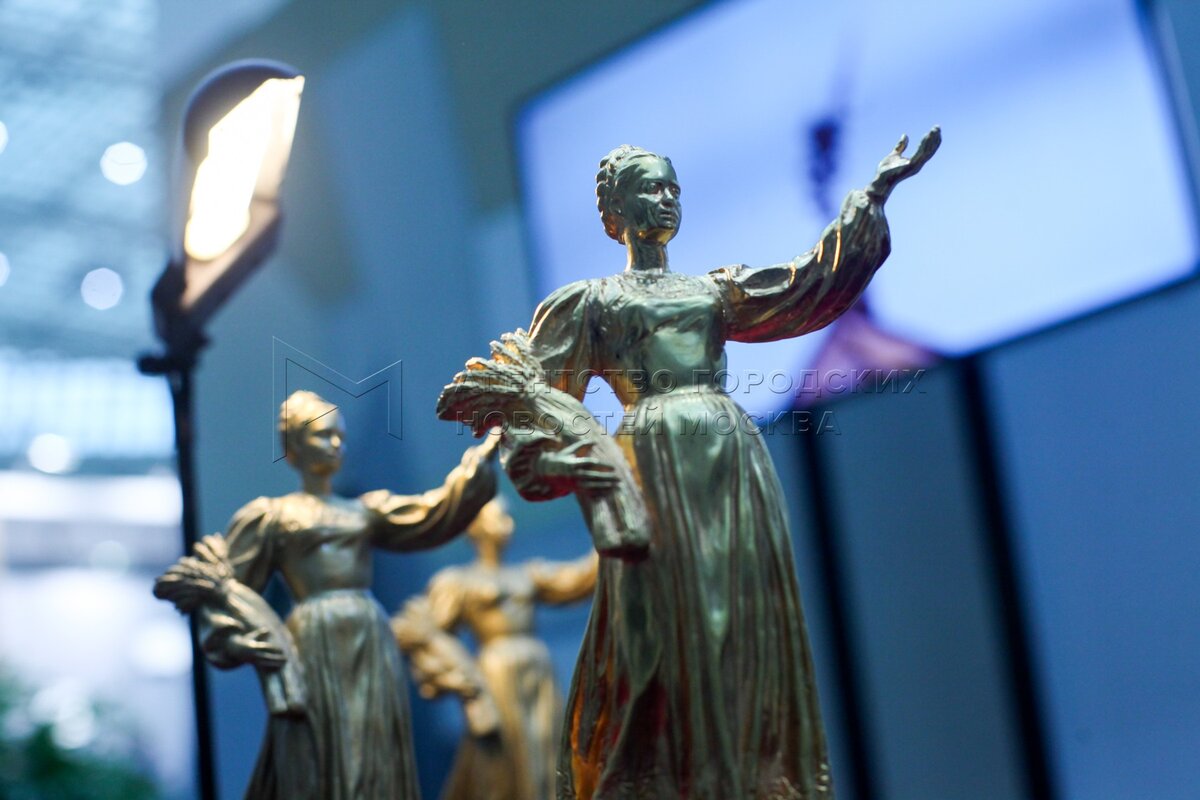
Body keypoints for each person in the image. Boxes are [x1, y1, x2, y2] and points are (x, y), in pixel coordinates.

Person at [501, 131, 939, 799]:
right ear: (616, 210)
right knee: (661, 622)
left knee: (741, 612)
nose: (666, 198)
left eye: (673, 187)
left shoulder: (712, 290)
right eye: (650, 188)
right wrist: (561, 461)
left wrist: (872, 196)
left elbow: (806, 285)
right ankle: (669, 773)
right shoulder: (591, 302)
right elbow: (532, 396)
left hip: (728, 456)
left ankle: (747, 769)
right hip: (652, 461)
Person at [195, 391, 497, 800]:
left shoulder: (364, 511)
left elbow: (432, 513)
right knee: (318, 743)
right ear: (294, 446)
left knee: (372, 741)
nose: (336, 444)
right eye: (323, 435)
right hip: (313, 639)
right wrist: (243, 640)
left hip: (368, 635)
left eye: (340, 435)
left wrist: (480, 460)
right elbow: (228, 592)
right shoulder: (273, 517)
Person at [397, 499, 597, 800]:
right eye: (498, 518)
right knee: (506, 753)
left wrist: (605, 541)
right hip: (497, 674)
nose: (507, 525)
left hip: (536, 669)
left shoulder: (527, 574)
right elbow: (421, 630)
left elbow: (576, 580)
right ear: (475, 528)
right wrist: (466, 685)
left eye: (507, 518)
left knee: (547, 743)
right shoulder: (459, 581)